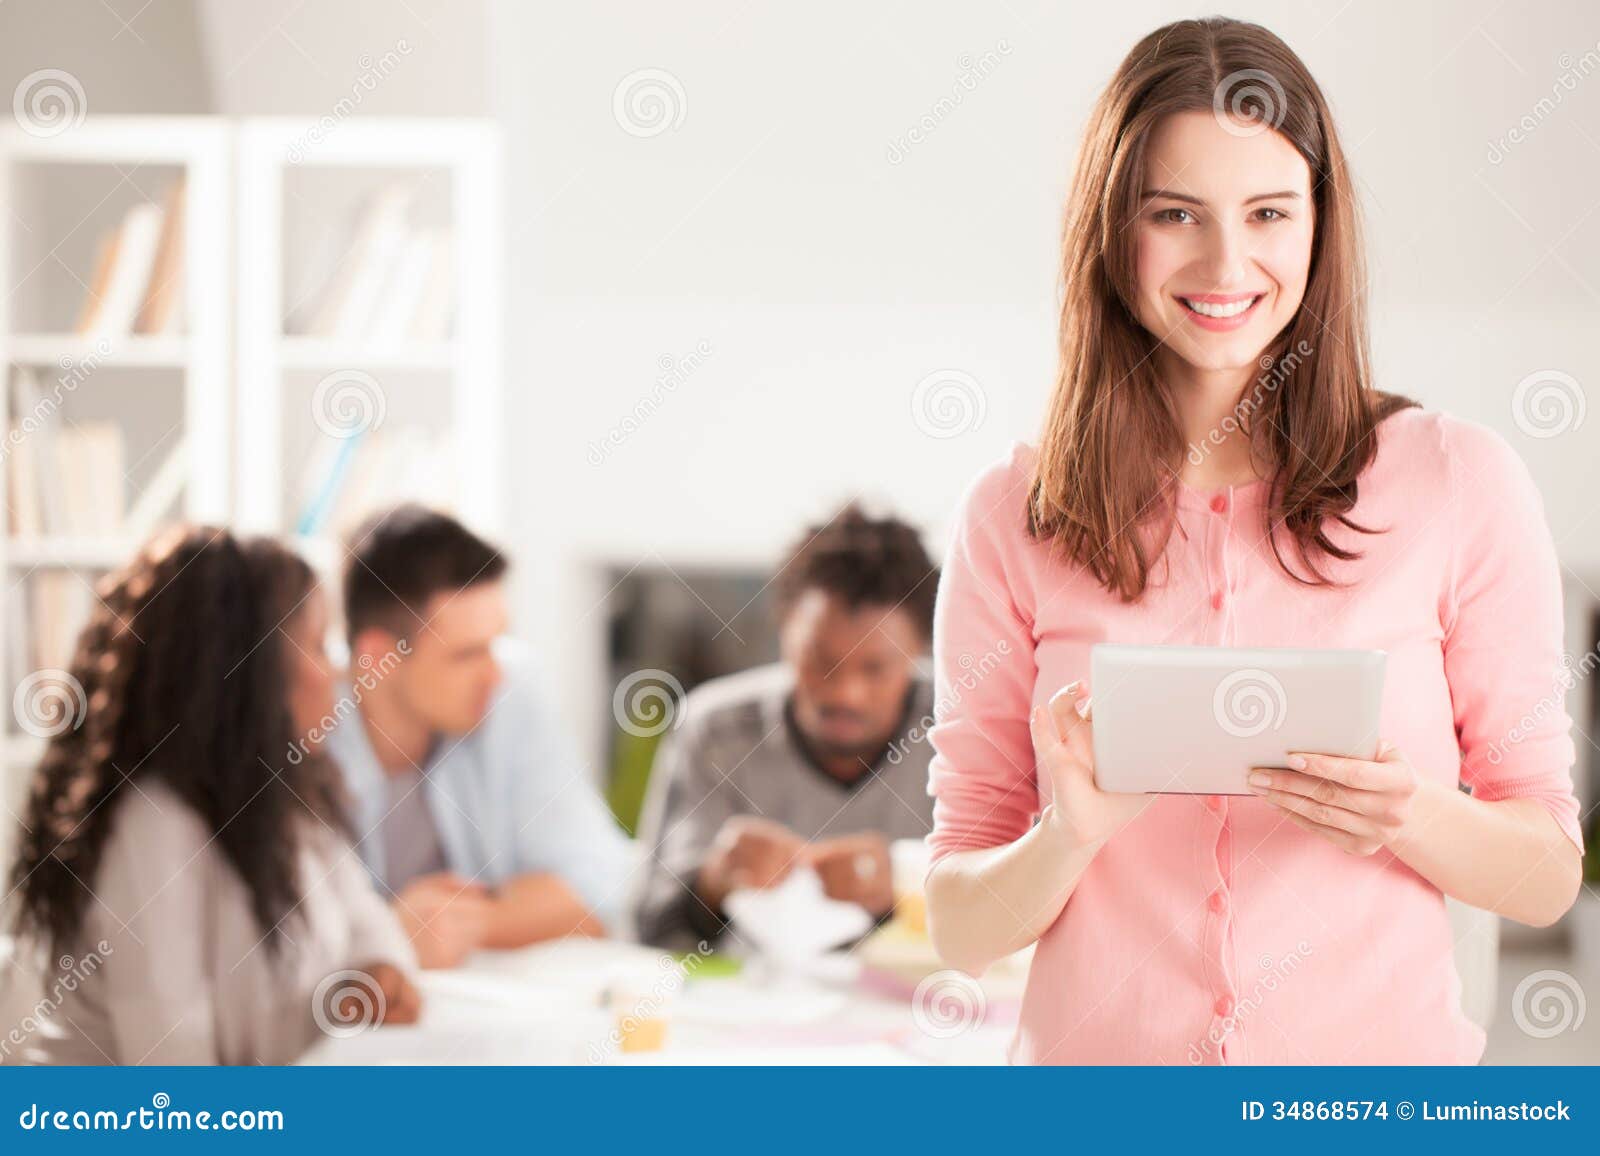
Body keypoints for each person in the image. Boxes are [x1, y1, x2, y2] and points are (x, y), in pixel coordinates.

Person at [922, 17, 1584, 1066]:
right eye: (1174, 213)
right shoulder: (1013, 511)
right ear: (1112, 228)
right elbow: (958, 924)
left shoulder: (1457, 481)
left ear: (1318, 223)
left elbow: (1545, 874)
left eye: (1268, 211)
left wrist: (1406, 812)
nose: (1225, 261)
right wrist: (1069, 836)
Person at [8, 527, 419, 1065]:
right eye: (318, 645)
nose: (336, 672)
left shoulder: (289, 798)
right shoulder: (153, 827)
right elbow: (172, 1067)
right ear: (252, 673)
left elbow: (363, 917)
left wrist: (378, 967)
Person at [326, 505, 633, 968]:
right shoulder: (302, 726)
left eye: (496, 642)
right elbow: (269, 940)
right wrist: (388, 937)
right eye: (466, 654)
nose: (493, 673)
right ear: (377, 658)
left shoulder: (512, 690)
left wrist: (463, 924)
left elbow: (601, 887)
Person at [633, 503, 939, 949]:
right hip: (747, 1006)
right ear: (783, 633)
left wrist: (908, 886)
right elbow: (649, 927)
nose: (844, 694)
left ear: (922, 650)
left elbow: (1016, 923)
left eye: (876, 669)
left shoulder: (965, 730)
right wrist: (714, 881)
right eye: (820, 661)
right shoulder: (715, 730)